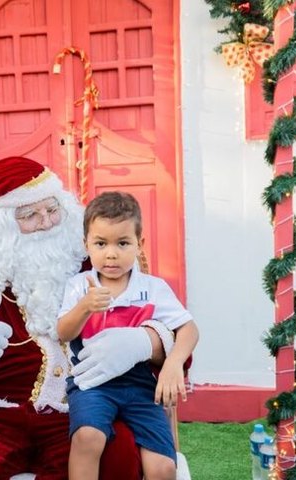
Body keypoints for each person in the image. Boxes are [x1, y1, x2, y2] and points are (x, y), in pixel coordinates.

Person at [0, 157, 177, 479]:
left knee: (117, 454)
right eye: (29, 215)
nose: (47, 222)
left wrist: (144, 342)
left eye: (52, 210)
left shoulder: (96, 261)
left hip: (84, 407)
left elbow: (172, 324)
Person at [57, 191, 199, 480]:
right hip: (92, 382)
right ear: (86, 244)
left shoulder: (153, 288)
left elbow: (189, 329)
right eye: (101, 243)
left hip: (140, 385)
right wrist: (84, 307)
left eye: (122, 243)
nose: (111, 254)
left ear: (139, 244)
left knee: (163, 467)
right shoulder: (79, 285)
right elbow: (63, 332)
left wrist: (173, 364)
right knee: (87, 438)